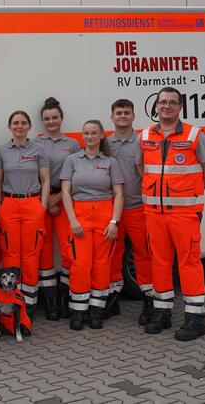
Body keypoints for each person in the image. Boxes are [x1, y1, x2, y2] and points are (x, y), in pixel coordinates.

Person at [137, 87, 205, 341]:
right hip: (154, 212)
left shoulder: (195, 135)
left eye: (172, 103)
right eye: (162, 102)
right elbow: (141, 167)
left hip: (184, 213)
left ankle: (195, 319)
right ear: (156, 106)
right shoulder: (145, 135)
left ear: (180, 107)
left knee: (189, 263)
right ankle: (162, 313)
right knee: (158, 262)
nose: (167, 107)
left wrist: (192, 193)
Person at [60, 120, 125, 330]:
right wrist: (72, 219)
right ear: (82, 135)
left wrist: (114, 222)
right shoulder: (72, 160)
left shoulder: (110, 162)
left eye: (93, 133)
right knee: (80, 264)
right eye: (86, 133)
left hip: (105, 214)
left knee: (102, 264)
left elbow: (119, 193)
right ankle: (78, 311)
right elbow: (65, 192)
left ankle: (97, 311)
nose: (89, 137)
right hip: (80, 214)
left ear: (101, 136)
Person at [0, 110, 50, 318]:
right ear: (10, 127)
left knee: (31, 254)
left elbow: (45, 180)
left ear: (29, 127)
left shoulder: (38, 149)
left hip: (32, 204)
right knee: (10, 254)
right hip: (9, 204)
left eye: (23, 122)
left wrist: (42, 206)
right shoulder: (1, 151)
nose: (19, 126)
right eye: (15, 122)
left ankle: (30, 301)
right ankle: (11, 300)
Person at [107, 99, 154, 325]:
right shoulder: (106, 143)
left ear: (134, 116)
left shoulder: (143, 141)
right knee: (113, 254)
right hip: (113, 210)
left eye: (127, 112)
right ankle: (112, 299)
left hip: (137, 207)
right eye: (119, 113)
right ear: (112, 117)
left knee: (143, 254)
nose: (123, 116)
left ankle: (149, 301)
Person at [36, 97, 81, 321]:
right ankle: (50, 302)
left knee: (68, 250)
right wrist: (48, 200)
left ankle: (66, 300)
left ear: (62, 119)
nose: (51, 121)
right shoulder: (36, 144)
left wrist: (57, 199)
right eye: (47, 118)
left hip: (65, 199)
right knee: (43, 252)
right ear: (42, 121)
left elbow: (77, 174)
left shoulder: (72, 144)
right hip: (42, 200)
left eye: (55, 117)